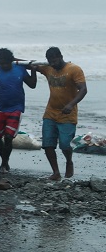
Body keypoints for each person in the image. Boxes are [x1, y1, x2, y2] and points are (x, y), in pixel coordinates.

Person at [35, 47, 87, 180]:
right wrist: (12, 60)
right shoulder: (48, 68)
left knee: (64, 144)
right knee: (47, 144)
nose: (52, 64)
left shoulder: (74, 69)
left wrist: (71, 104)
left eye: (54, 61)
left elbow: (83, 89)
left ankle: (69, 161)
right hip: (50, 112)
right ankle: (56, 172)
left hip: (67, 114)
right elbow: (31, 64)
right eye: (49, 61)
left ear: (61, 57)